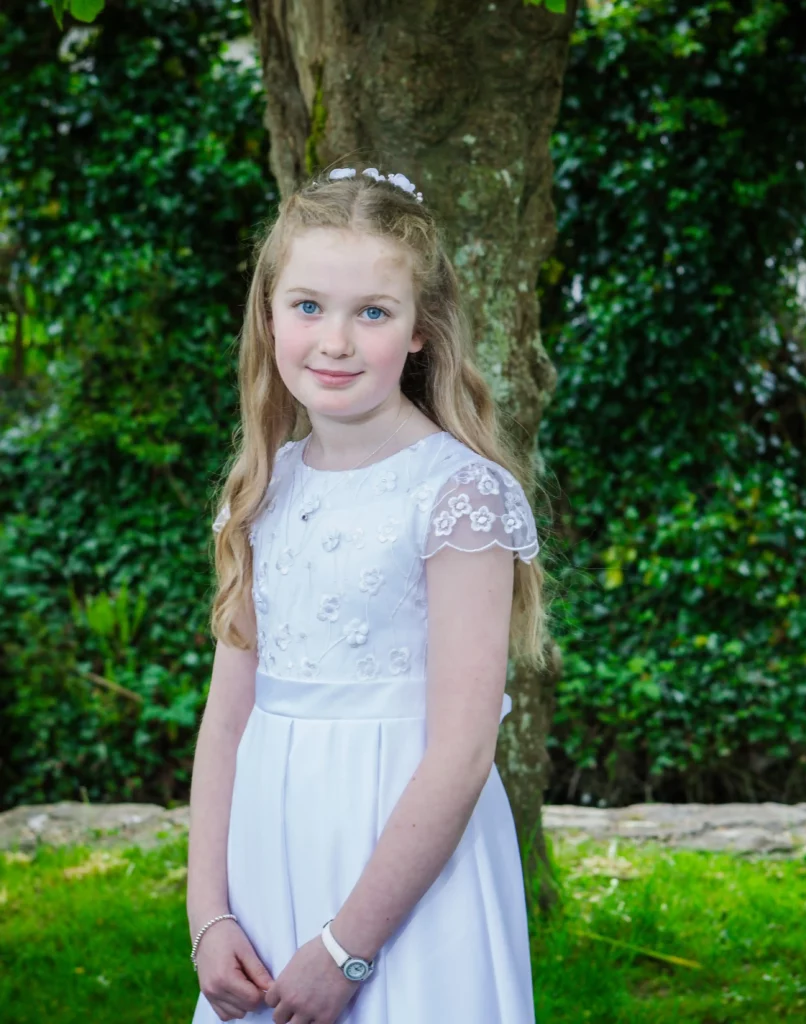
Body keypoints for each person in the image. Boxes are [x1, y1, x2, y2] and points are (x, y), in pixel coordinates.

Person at [187, 164, 549, 1024]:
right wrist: (209, 914)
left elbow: (461, 755)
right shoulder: (259, 489)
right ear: (269, 313)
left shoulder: (459, 495)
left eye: (372, 313)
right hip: (269, 864)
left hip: (403, 886)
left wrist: (349, 947)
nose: (335, 341)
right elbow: (225, 720)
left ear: (421, 330)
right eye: (307, 306)